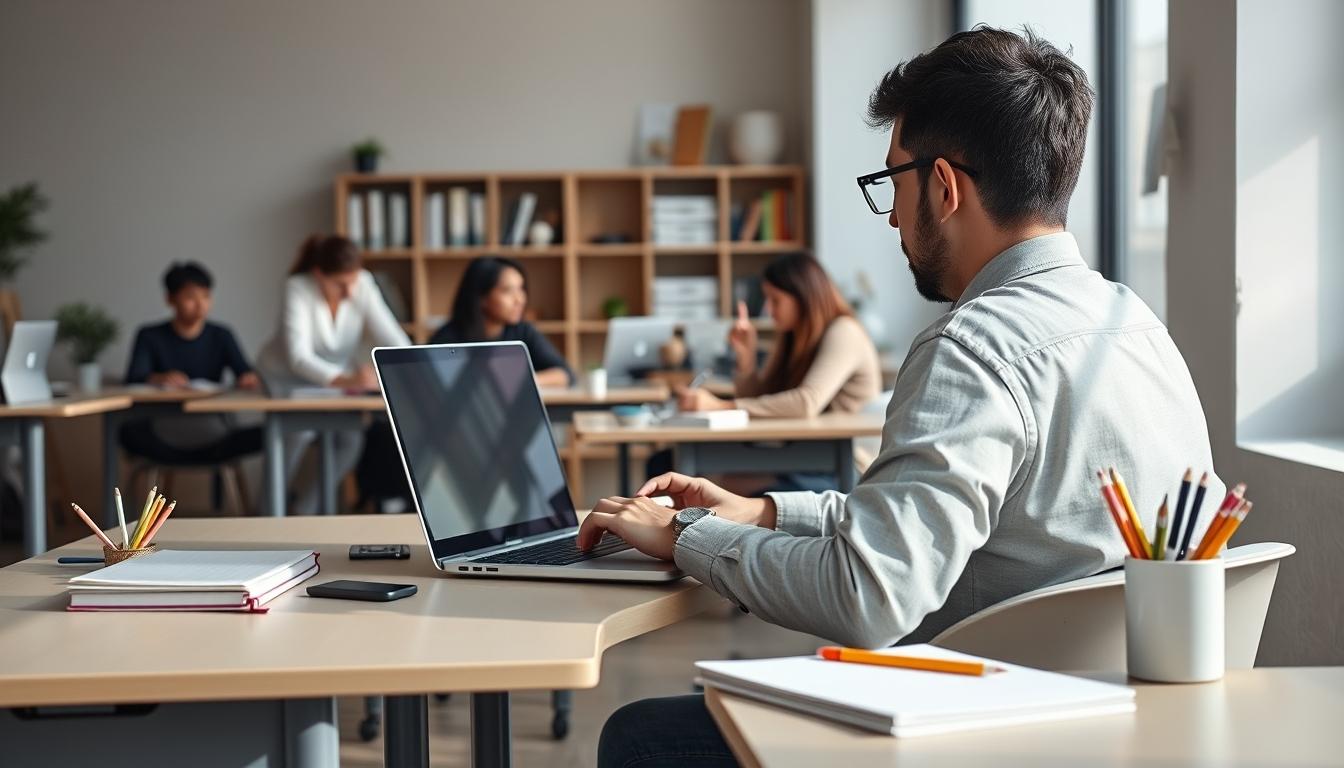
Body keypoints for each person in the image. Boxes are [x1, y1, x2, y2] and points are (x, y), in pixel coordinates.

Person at [585, 27, 1225, 767]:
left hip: (978, 729)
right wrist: (762, 511)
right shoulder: (1137, 323)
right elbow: (937, 529)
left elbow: (868, 595)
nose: (891, 215)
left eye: (893, 181)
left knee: (640, 736)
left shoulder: (973, 347)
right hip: (1121, 728)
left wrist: (681, 538)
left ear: (945, 187)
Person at [672, 252, 881, 491]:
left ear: (804, 297)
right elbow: (760, 402)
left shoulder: (844, 331)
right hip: (800, 459)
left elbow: (805, 402)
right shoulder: (792, 337)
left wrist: (719, 406)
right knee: (678, 468)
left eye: (775, 300)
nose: (768, 309)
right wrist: (746, 359)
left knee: (712, 486)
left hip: (840, 469)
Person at [256, 234, 410, 515]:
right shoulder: (297, 287)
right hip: (286, 377)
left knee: (351, 440)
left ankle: (305, 512)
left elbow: (394, 338)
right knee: (297, 434)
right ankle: (268, 513)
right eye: (340, 284)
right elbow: (298, 357)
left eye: (353, 282)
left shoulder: (362, 283)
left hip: (333, 382)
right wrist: (347, 380)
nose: (350, 292)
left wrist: (408, 367)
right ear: (319, 275)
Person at [120, 262, 262, 463]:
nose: (200, 304)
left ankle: (274, 494)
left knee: (270, 434)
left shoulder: (221, 335)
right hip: (161, 427)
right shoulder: (150, 336)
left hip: (214, 427)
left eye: (206, 296)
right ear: (170, 299)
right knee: (126, 431)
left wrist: (249, 379)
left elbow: (245, 373)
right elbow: (134, 378)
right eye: (190, 297)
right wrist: (159, 378)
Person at [429, 256, 573, 387]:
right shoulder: (448, 339)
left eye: (521, 289)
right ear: (481, 297)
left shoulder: (523, 332)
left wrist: (521, 382)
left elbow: (566, 374)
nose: (520, 299)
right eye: (507, 291)